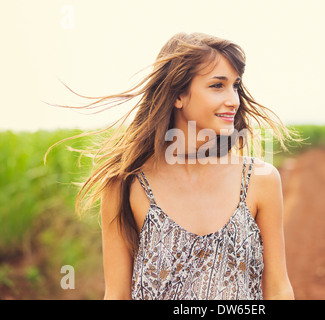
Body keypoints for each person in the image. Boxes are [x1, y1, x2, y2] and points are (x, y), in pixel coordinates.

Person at [47, 32, 298, 300]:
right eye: (217, 86)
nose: (233, 100)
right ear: (178, 95)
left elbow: (278, 288)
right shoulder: (126, 184)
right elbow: (117, 294)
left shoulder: (260, 180)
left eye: (235, 86)